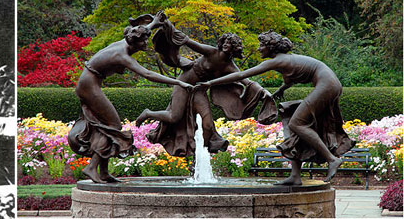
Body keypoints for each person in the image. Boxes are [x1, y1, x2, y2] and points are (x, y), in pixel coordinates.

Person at [196, 31, 355, 185]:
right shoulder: (286, 60)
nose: (259, 49)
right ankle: (295, 175)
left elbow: (241, 75)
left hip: (327, 85)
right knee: (290, 118)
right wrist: (281, 90)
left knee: (297, 124)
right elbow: (292, 78)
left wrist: (210, 83)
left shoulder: (276, 61)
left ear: (270, 47)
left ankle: (332, 159)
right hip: (330, 84)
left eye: (262, 45)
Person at [68, 17, 193, 183]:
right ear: (135, 42)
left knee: (107, 126)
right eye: (144, 41)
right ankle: (91, 167)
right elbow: (148, 74)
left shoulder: (128, 40)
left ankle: (103, 172)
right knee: (114, 125)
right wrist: (177, 81)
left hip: (89, 83)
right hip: (89, 86)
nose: (146, 43)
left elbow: (140, 30)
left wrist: (155, 23)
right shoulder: (122, 56)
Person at [134, 15, 276, 156]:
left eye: (230, 43)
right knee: (174, 117)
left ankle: (201, 154)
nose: (227, 45)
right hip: (183, 84)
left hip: (198, 91)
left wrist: (264, 92)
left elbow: (246, 80)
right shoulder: (211, 52)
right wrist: (168, 24)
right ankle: (148, 113)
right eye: (225, 42)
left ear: (235, 48)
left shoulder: (231, 67)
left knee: (208, 124)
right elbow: (187, 41)